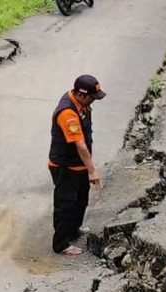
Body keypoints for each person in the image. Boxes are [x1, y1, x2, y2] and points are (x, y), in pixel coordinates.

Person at [48, 74, 106, 256]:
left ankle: (74, 230)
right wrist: (92, 170)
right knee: (66, 205)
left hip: (78, 165)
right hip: (66, 166)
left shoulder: (82, 105)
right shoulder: (68, 113)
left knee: (81, 200)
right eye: (91, 98)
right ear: (80, 95)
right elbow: (80, 144)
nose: (93, 101)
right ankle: (61, 244)